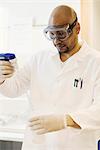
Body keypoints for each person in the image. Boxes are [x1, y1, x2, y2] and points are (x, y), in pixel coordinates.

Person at [0, 4, 100, 150]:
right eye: (52, 34)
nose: (56, 40)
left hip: (76, 145)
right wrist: (2, 78)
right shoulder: (39, 59)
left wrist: (65, 120)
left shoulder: (95, 62)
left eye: (62, 34)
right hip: (37, 145)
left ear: (77, 28)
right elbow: (13, 90)